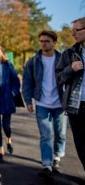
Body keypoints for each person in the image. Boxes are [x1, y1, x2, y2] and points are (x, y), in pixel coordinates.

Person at [22, 30, 67, 179]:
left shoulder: (62, 58)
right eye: (41, 41)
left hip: (60, 104)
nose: (43, 44)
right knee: (45, 135)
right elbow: (27, 81)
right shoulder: (34, 60)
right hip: (42, 103)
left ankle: (57, 157)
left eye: (47, 41)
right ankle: (47, 164)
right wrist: (28, 101)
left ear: (54, 42)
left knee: (60, 134)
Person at [56, 16, 85, 172]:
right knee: (81, 145)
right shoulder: (69, 54)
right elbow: (59, 77)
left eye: (76, 30)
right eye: (72, 30)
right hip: (76, 107)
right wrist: (70, 69)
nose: (73, 34)